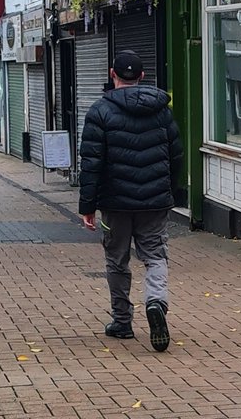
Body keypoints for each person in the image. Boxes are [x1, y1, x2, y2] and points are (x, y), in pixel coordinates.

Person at [78, 50, 183, 353]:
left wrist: (87, 205)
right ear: (142, 76)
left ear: (113, 74)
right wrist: (169, 190)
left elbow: (91, 163)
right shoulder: (162, 111)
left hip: (116, 203)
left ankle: (122, 322)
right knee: (155, 255)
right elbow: (176, 154)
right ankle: (156, 303)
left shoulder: (100, 111)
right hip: (154, 202)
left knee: (117, 259)